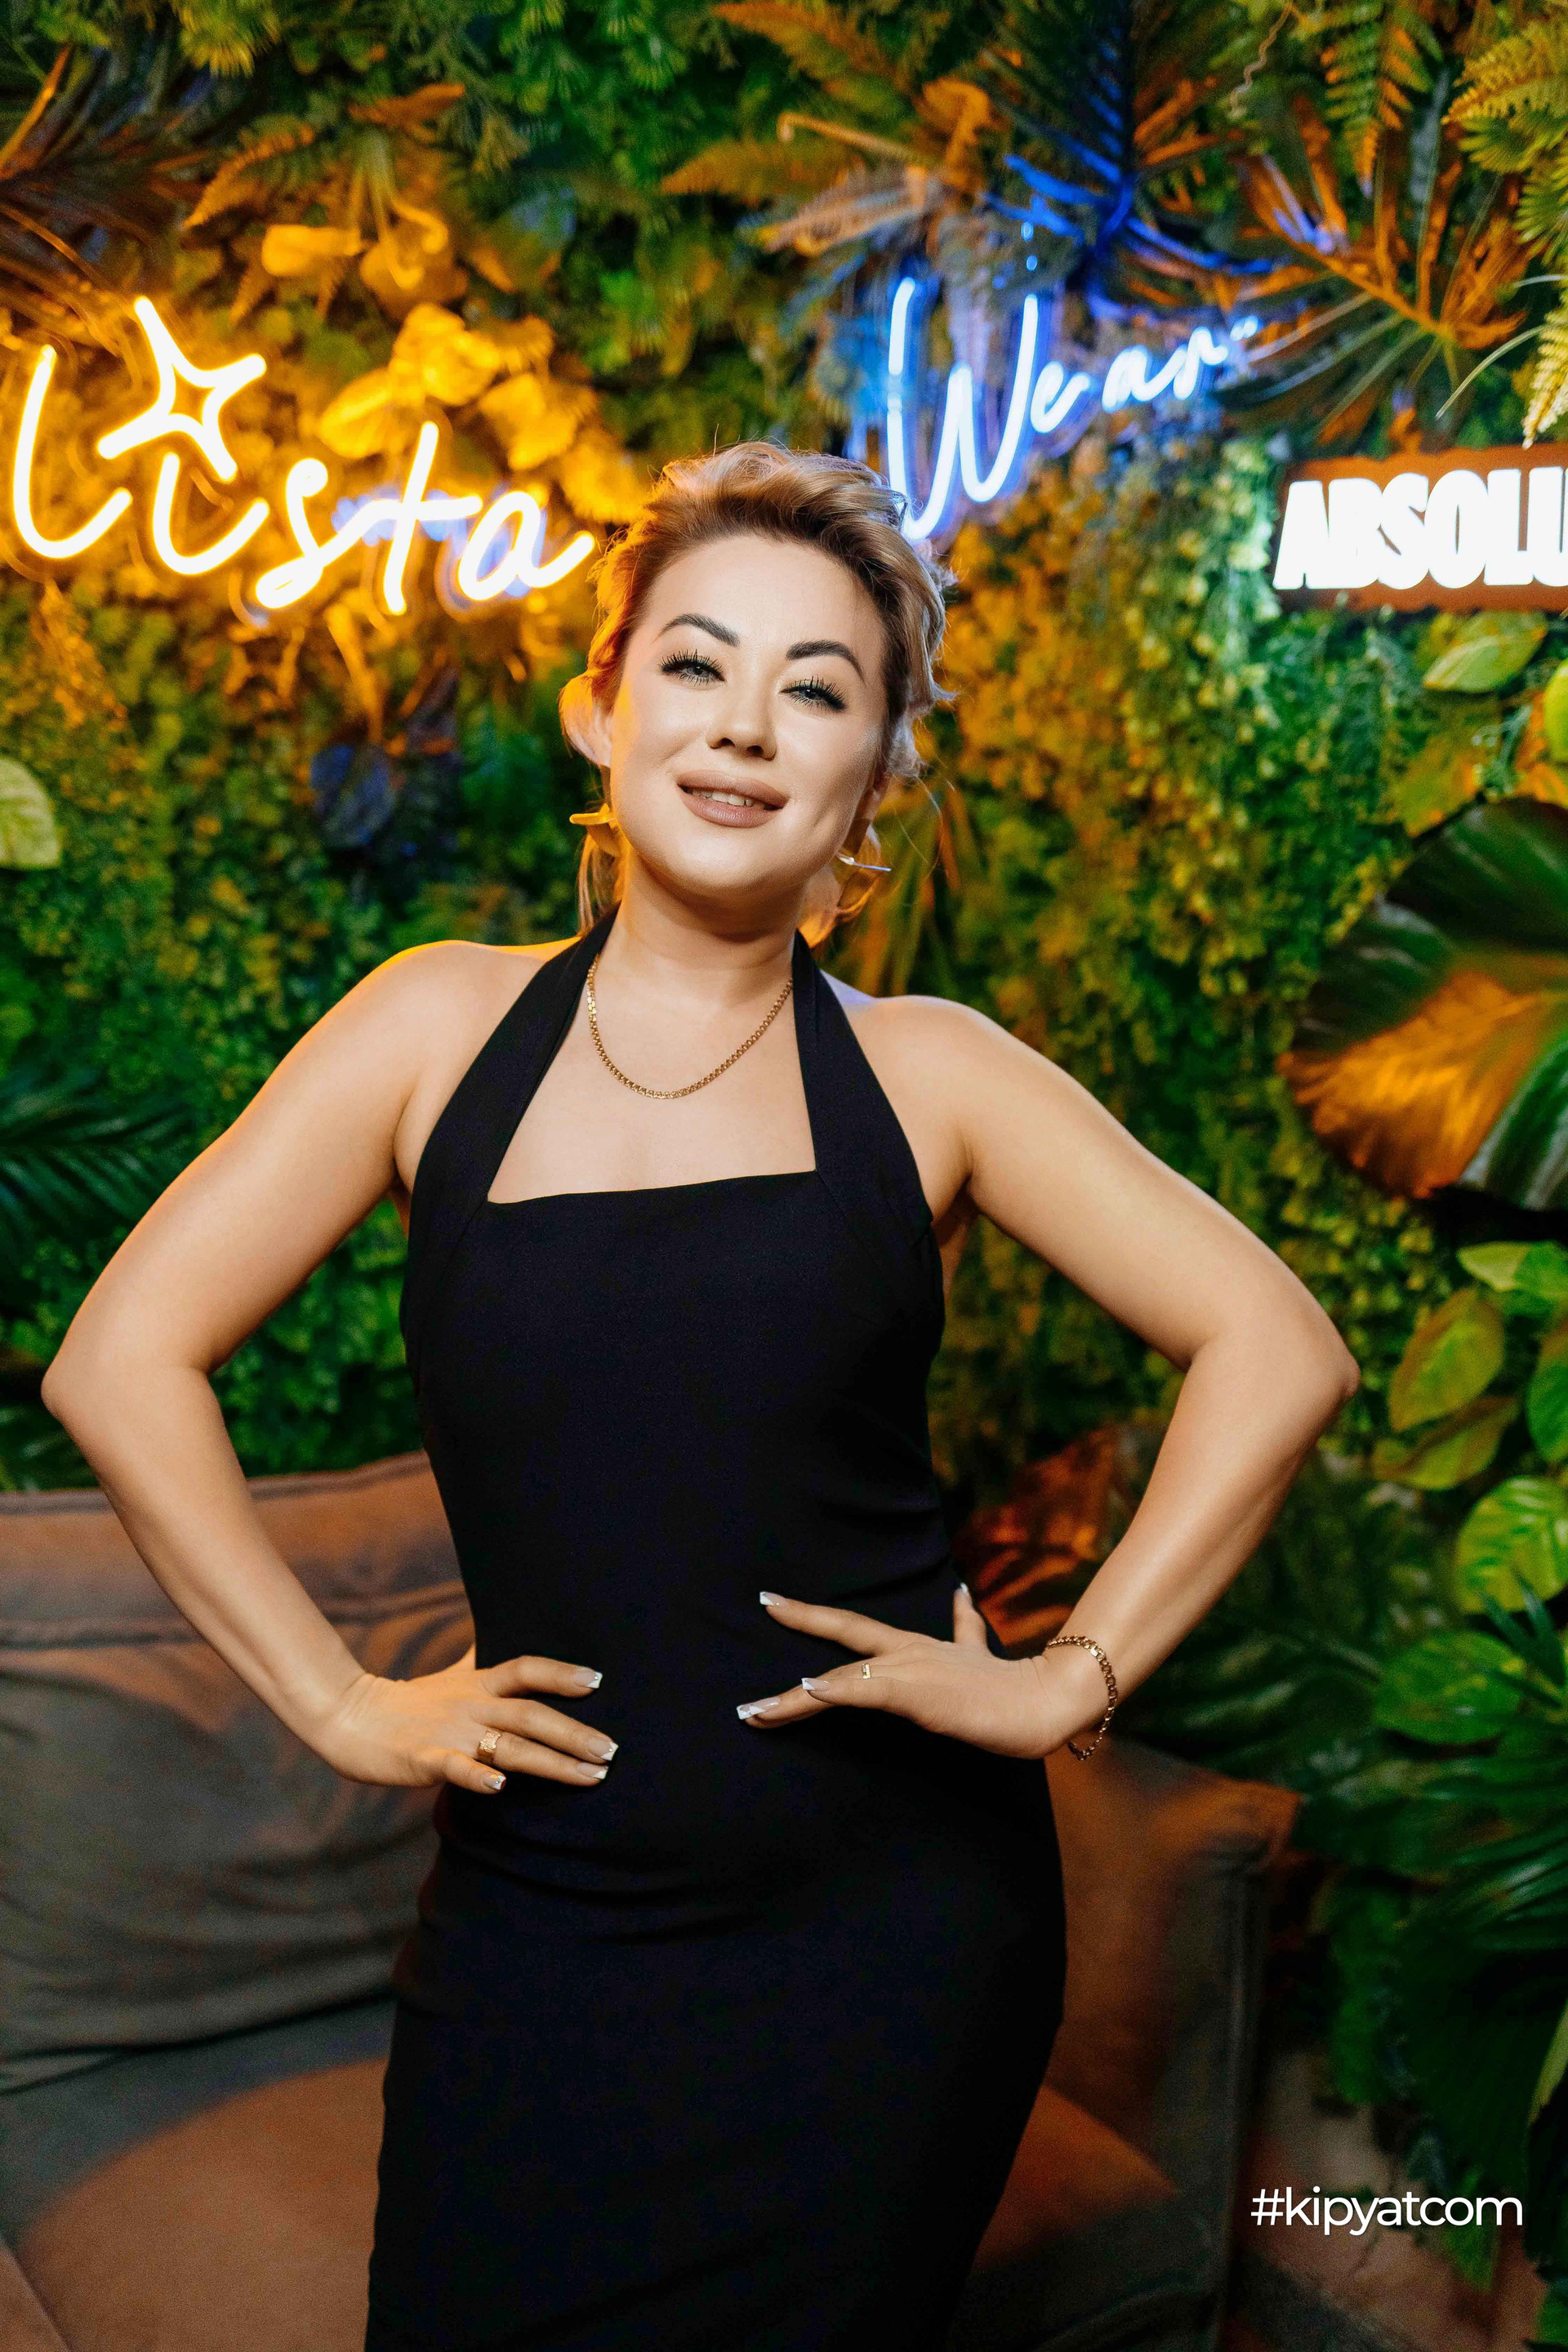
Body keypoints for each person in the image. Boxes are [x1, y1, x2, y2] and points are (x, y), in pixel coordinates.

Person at [41, 440, 1360, 2351]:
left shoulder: (932, 1076)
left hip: (890, 1953)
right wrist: (334, 1699)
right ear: (604, 708)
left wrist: (1069, 1680)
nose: (743, 726)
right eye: (695, 663)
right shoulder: (432, 1030)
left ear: (876, 772)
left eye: (816, 691)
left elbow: (1277, 1345)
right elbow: (121, 1357)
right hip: (543, 1934)